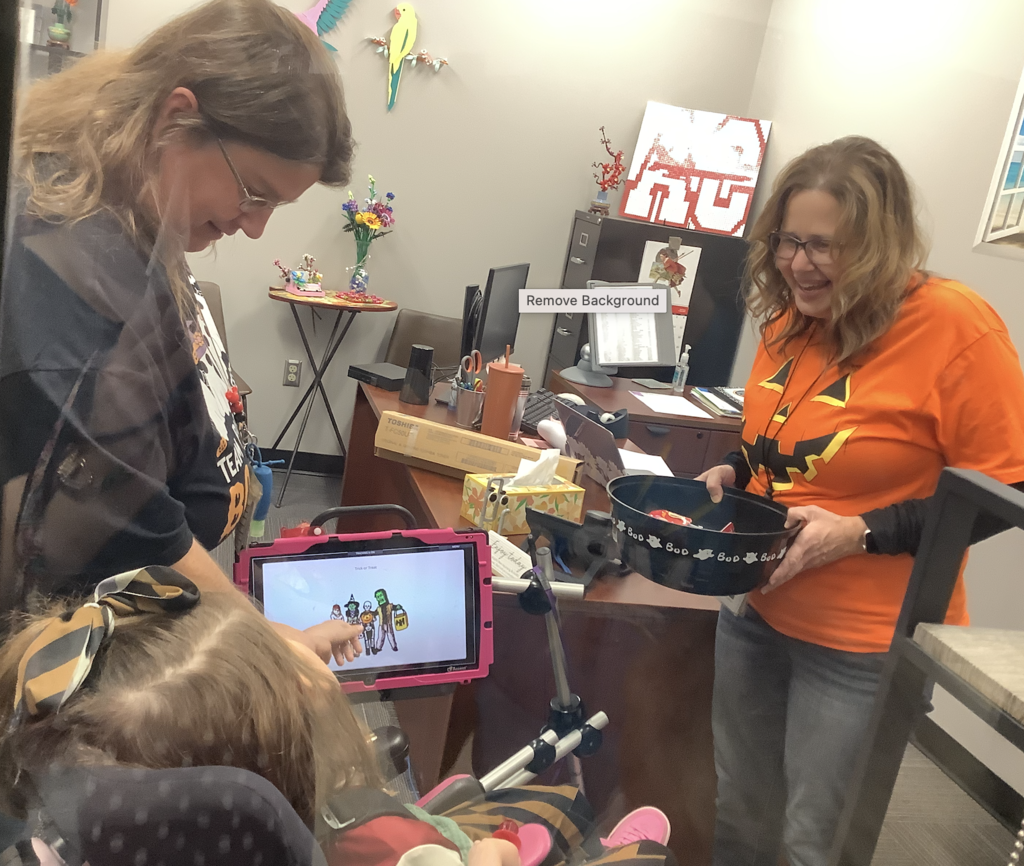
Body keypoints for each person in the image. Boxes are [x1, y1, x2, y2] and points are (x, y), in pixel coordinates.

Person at [697, 136, 1024, 866]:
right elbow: (782, 442)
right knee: (740, 817)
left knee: (816, 844)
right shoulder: (792, 316)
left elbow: (1008, 490)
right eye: (786, 241)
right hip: (754, 612)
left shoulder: (955, 326)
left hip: (863, 647)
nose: (798, 264)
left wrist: (863, 532)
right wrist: (731, 470)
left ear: (881, 244)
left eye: (825, 246)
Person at [0, 0, 359, 664]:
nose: (255, 227)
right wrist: (269, 649)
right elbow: (126, 521)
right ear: (176, 118)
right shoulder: (70, 285)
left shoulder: (134, 205)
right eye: (255, 193)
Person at [0, 569, 677, 866]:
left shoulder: (67, 828)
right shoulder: (374, 846)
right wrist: (492, 853)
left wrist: (275, 653)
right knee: (559, 808)